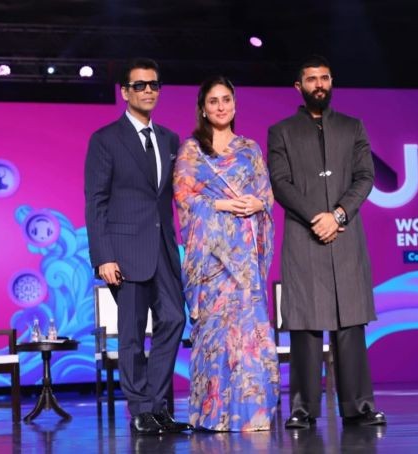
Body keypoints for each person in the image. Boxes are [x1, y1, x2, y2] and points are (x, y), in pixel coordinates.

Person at [267, 55, 387, 429]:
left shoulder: (353, 127)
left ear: (331, 82)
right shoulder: (281, 131)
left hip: (345, 235)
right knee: (305, 325)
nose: (319, 84)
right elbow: (280, 183)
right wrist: (316, 218)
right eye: (311, 79)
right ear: (298, 86)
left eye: (324, 78)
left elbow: (365, 177)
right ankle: (303, 409)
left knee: (350, 323)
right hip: (304, 236)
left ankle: (359, 406)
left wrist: (338, 215)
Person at [84, 57, 192, 435]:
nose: (148, 90)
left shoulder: (169, 139)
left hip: (163, 249)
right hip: (124, 253)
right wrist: (104, 257)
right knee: (131, 333)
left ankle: (157, 405)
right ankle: (140, 409)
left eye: (154, 85)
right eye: (140, 85)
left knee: (174, 319)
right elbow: (96, 201)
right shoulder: (106, 139)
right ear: (125, 92)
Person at [174, 76, 280, 432]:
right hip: (210, 260)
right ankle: (213, 414)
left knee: (247, 329)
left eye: (226, 100)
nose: (221, 107)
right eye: (214, 101)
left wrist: (257, 204)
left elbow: (266, 196)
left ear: (234, 105)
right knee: (215, 332)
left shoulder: (249, 149)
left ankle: (251, 413)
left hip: (244, 255)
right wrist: (222, 204)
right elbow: (184, 198)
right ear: (203, 108)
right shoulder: (192, 151)